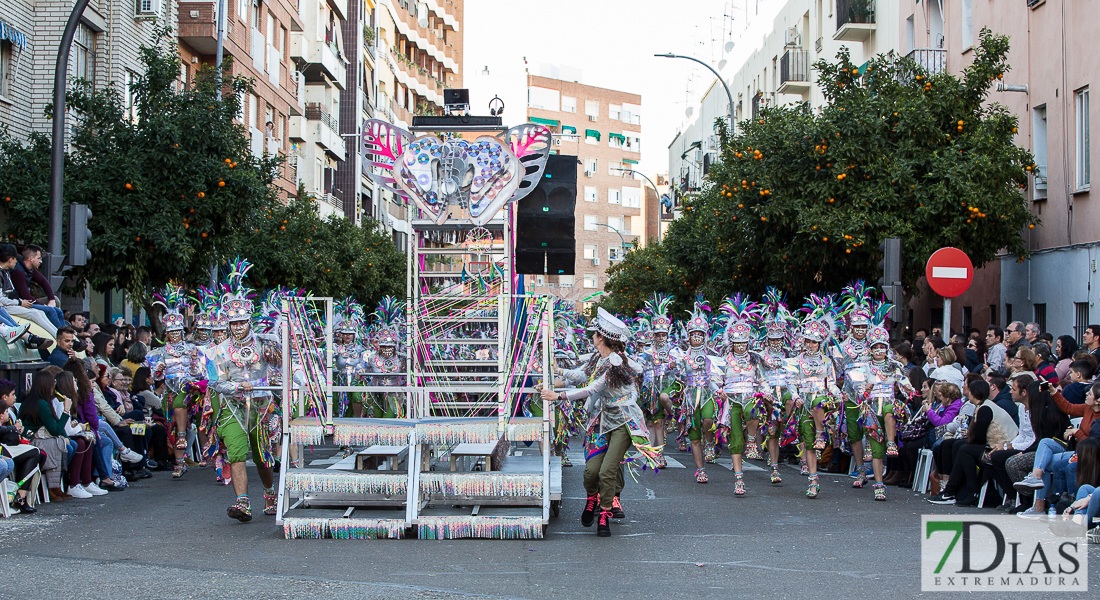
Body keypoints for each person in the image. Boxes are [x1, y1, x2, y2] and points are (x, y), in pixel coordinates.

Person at [539, 308, 654, 537]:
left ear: (601, 337)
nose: (591, 336)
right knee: (591, 471)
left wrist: (557, 396)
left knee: (607, 471)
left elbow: (592, 388)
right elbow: (583, 376)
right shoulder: (598, 358)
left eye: (594, 333)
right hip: (601, 418)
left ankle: (605, 513)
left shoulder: (614, 362)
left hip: (622, 420)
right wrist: (558, 370)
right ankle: (592, 499)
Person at [208, 259, 283, 521]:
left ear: (250, 321)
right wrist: (239, 385)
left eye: (242, 322)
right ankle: (242, 503)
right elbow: (216, 382)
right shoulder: (217, 351)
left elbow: (284, 368)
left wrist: (298, 381)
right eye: (233, 323)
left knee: (262, 456)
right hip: (232, 406)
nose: (238, 327)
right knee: (237, 452)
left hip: (262, 405)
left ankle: (270, 493)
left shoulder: (267, 343)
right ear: (227, 324)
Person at [848, 318, 914, 501]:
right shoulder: (864, 368)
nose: (879, 351)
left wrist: (909, 388)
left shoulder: (894, 366)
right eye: (875, 347)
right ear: (871, 350)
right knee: (876, 451)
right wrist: (865, 390)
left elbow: (904, 382)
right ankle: (879, 485)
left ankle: (891, 442)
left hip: (889, 406)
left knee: (890, 408)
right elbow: (858, 391)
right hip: (871, 410)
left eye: (882, 347)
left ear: (887, 349)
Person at [928, 379, 1019, 506]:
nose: (967, 393)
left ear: (974, 393)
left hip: (1001, 445)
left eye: (969, 390)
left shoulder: (985, 409)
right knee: (952, 444)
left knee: (965, 449)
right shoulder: (982, 406)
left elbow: (980, 438)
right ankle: (953, 490)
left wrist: (969, 436)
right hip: (992, 443)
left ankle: (968, 490)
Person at [145, 283, 200, 478]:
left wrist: (193, 361)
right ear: (167, 334)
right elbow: (154, 379)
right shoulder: (158, 353)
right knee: (173, 428)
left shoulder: (192, 349)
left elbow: (197, 373)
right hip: (169, 392)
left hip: (190, 392)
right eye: (172, 332)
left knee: (199, 423)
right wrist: (159, 371)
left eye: (178, 332)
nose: (176, 335)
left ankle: (217, 457)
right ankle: (179, 463)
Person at [789, 298, 841, 498]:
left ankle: (822, 434)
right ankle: (813, 480)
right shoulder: (796, 361)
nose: (810, 344)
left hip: (821, 402)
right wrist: (795, 396)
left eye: (814, 341)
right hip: (804, 403)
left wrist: (837, 395)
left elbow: (832, 383)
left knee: (820, 405)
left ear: (820, 343)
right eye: (807, 341)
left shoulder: (827, 361)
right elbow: (791, 382)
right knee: (808, 443)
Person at [716, 294, 765, 496]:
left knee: (752, 410)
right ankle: (738, 479)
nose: (741, 346)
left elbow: (763, 380)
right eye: (738, 343)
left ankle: (752, 440)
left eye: (744, 342)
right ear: (732, 343)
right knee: (735, 440)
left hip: (749, 398)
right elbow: (716, 380)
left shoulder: (755, 359)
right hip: (732, 401)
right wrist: (719, 391)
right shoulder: (724, 359)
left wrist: (767, 393)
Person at [675, 298, 721, 483]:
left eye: (700, 335)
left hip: (707, 393)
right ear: (689, 337)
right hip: (690, 396)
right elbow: (678, 377)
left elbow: (715, 378)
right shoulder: (682, 356)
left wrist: (717, 390)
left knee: (708, 418)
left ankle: (709, 442)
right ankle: (700, 470)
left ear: (704, 337)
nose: (697, 338)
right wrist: (674, 366)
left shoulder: (711, 357)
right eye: (694, 335)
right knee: (694, 436)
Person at [636, 294, 680, 469]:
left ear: (667, 334)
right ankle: (653, 453)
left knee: (660, 422)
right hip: (649, 390)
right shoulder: (646, 352)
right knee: (651, 423)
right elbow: (638, 368)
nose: (661, 337)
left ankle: (661, 451)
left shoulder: (675, 351)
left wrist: (676, 365)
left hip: (667, 388)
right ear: (653, 335)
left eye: (663, 334)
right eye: (658, 334)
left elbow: (683, 368)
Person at [19, 370, 72, 500]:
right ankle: (51, 486)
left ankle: (56, 485)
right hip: (34, 441)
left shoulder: (34, 400)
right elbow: (54, 430)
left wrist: (65, 436)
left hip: (36, 438)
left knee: (71, 445)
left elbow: (54, 424)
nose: (54, 388)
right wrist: (66, 410)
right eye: (52, 384)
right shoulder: (41, 404)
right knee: (65, 447)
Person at [0, 378, 46, 513]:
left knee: (36, 452)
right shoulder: (4, 412)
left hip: (8, 449)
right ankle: (20, 495)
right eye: (13, 394)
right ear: (4, 397)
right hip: (5, 449)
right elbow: (9, 439)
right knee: (34, 453)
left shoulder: (11, 412)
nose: (15, 397)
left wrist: (16, 431)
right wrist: (14, 429)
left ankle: (20, 493)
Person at [8, 245, 67, 330]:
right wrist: (44, 305)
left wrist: (51, 299)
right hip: (22, 302)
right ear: (31, 259)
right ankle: (60, 334)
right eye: (39, 258)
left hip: (28, 301)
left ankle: (65, 331)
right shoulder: (18, 272)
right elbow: (26, 296)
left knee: (58, 310)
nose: (41, 261)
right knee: (50, 311)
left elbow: (44, 282)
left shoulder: (30, 269)